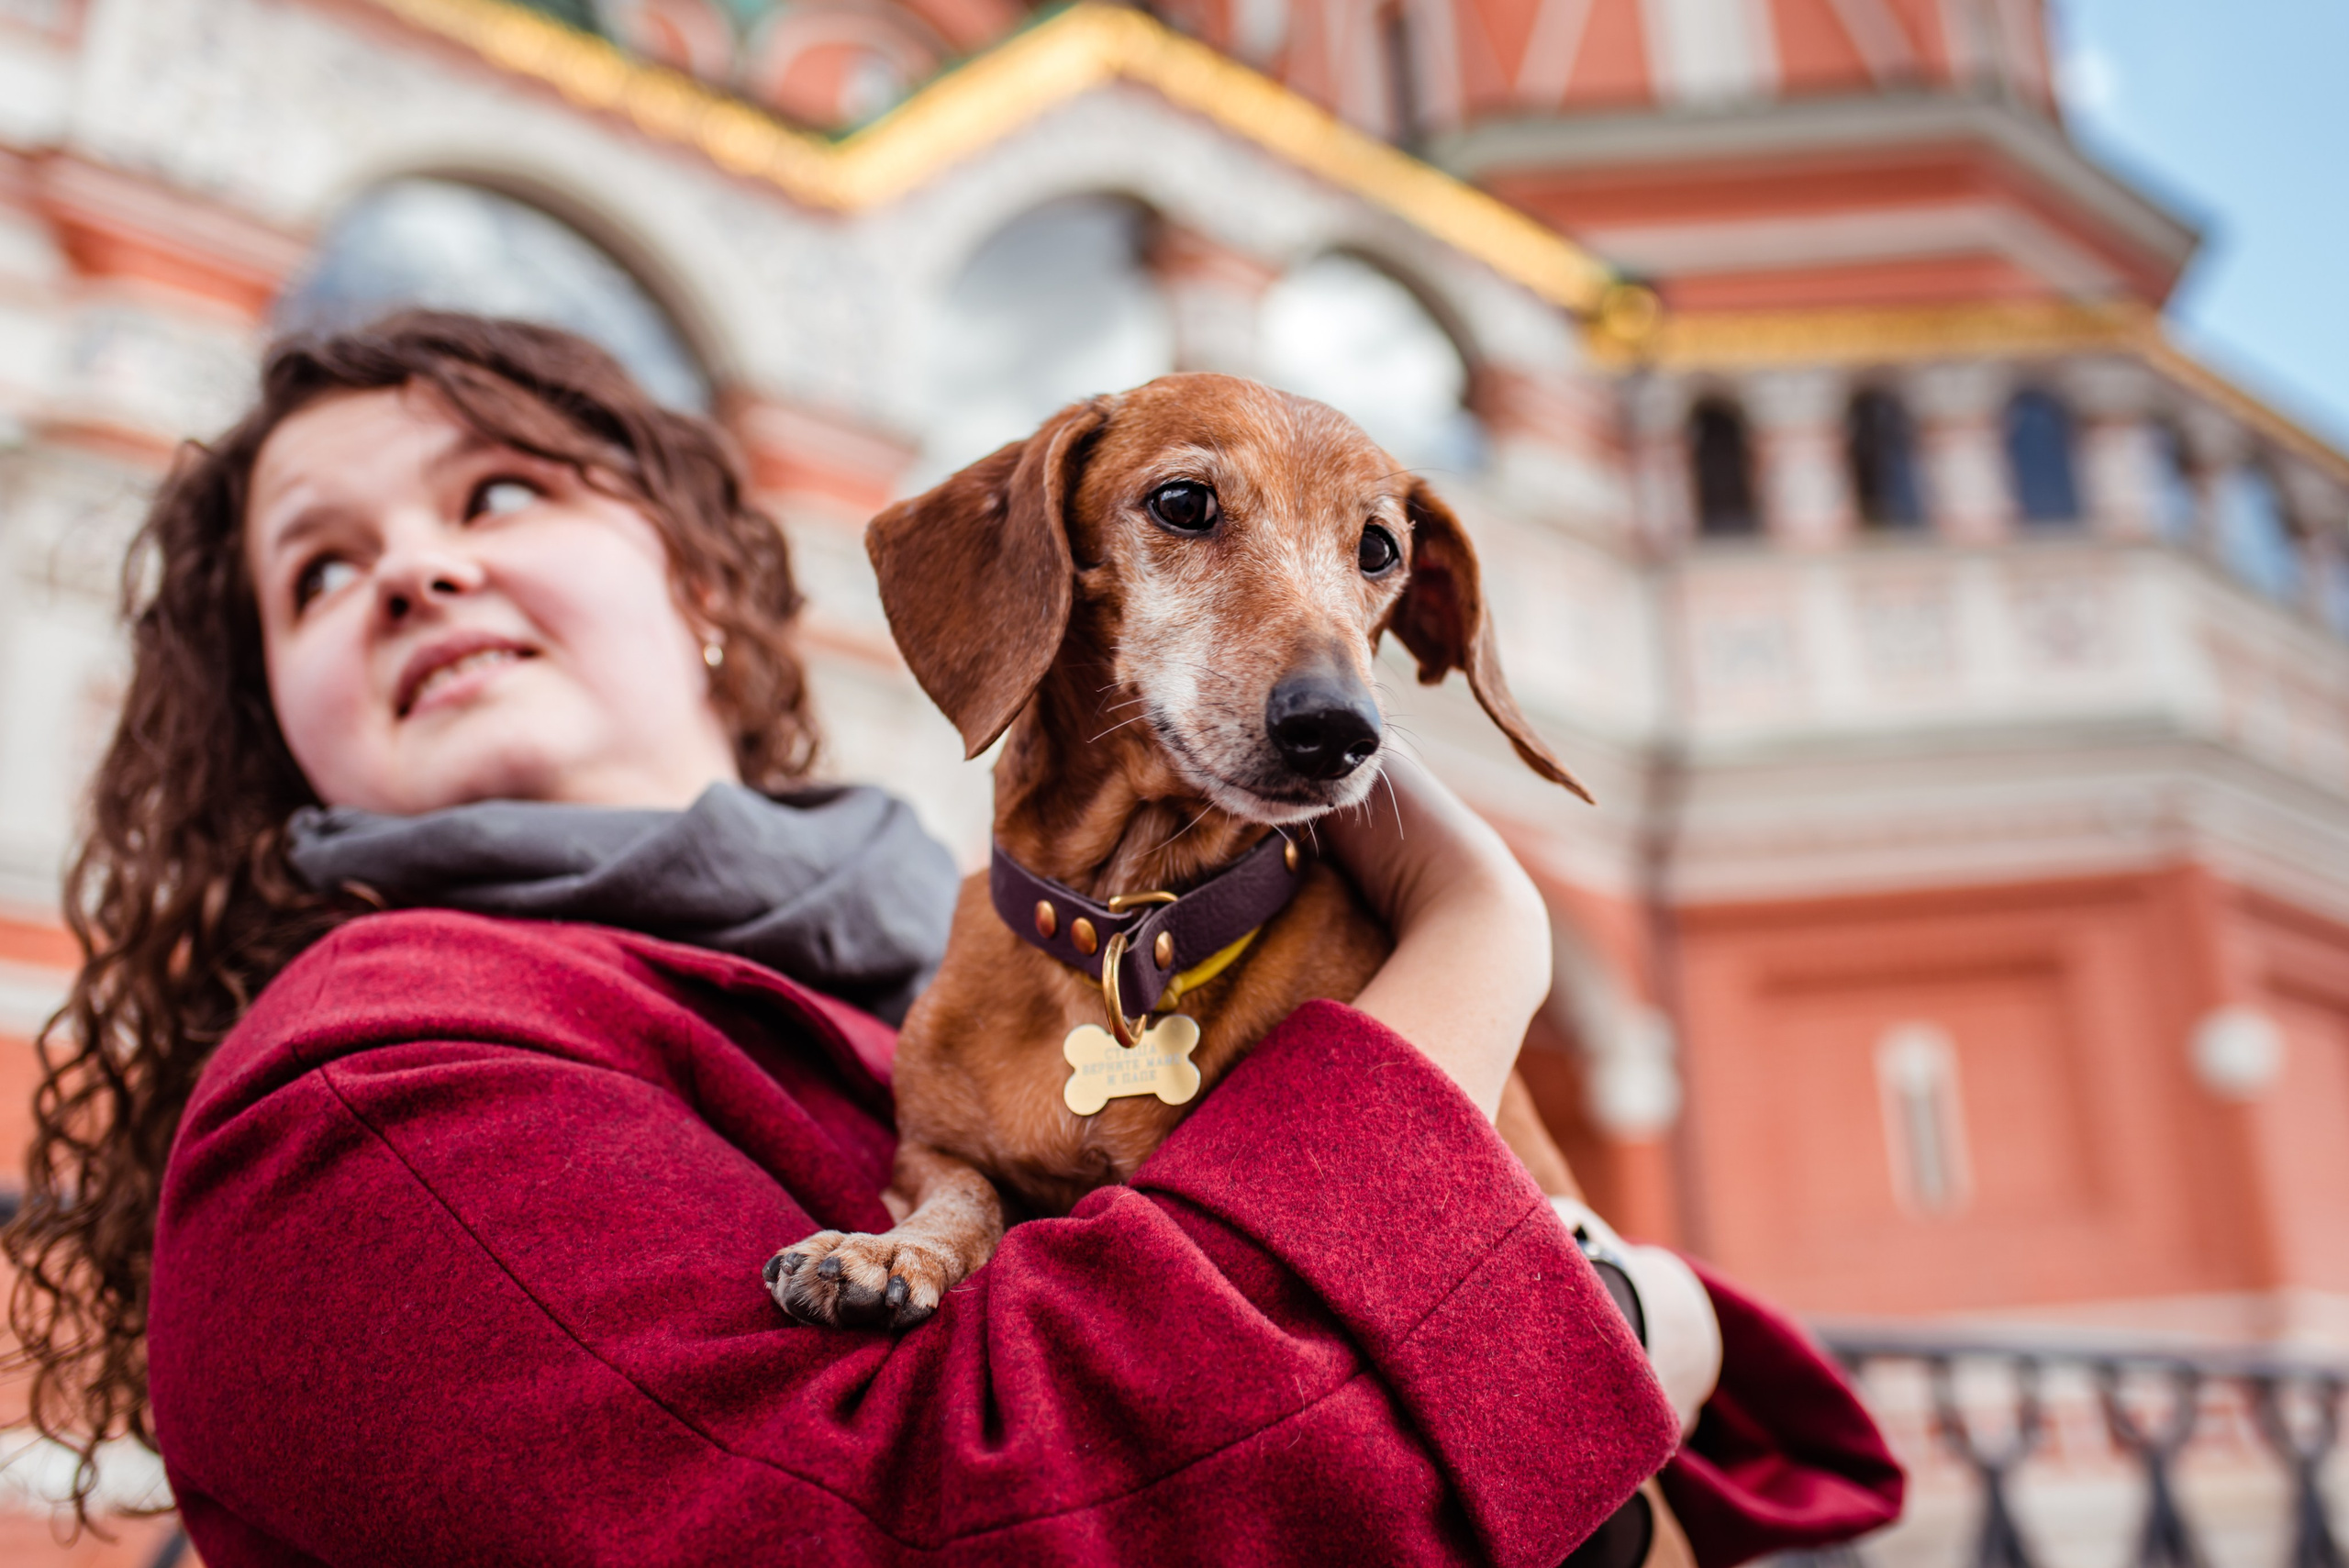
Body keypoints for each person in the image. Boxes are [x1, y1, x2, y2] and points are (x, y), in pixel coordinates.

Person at [4, 313, 1900, 1565]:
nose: (415, 568)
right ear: (271, 712)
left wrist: (1646, 1320)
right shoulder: (364, 1095)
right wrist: (1475, 971)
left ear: (709, 599)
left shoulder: (937, 959)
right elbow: (950, 1526)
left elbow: (1744, 1460)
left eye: (501, 494)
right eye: (319, 570)